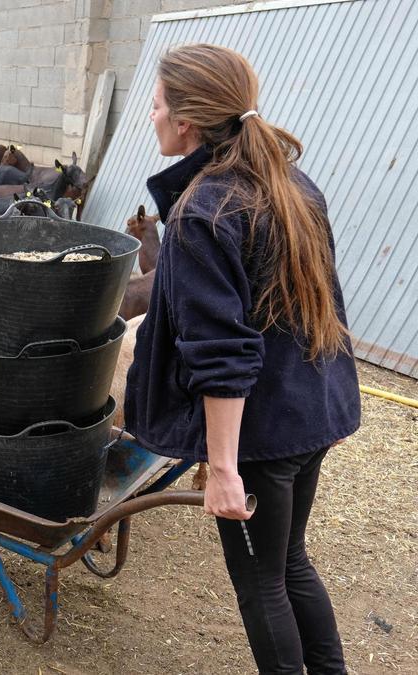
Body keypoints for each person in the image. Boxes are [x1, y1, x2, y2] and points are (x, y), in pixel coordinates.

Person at [125, 44, 361, 674]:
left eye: (154, 106)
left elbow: (224, 353)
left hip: (262, 436)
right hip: (309, 414)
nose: (150, 117)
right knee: (289, 562)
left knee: (264, 584)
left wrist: (223, 468)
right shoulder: (290, 184)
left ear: (187, 124)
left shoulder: (206, 211)